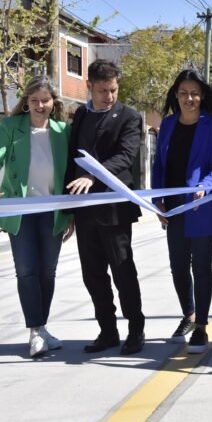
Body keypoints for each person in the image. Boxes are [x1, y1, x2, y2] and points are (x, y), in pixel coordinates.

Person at [0, 75, 74, 357]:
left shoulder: (63, 131)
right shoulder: (10, 126)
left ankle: (41, 327)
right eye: (34, 100)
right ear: (26, 102)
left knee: (48, 272)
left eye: (45, 100)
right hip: (21, 212)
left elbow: (70, 174)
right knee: (26, 270)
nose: (40, 105)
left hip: (52, 212)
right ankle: (36, 330)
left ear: (53, 102)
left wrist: (72, 214)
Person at [65, 59, 146, 355]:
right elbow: (71, 159)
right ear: (89, 86)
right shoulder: (81, 115)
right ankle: (107, 331)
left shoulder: (129, 117)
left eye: (113, 90)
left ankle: (135, 330)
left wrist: (92, 176)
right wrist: (68, 209)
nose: (109, 96)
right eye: (102, 90)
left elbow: (126, 155)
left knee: (123, 272)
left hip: (114, 210)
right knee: (93, 274)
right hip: (85, 210)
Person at [151, 69, 212, 353]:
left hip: (202, 205)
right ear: (176, 95)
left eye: (195, 94)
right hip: (174, 206)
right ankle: (189, 314)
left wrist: (204, 186)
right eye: (184, 93)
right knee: (177, 265)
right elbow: (159, 165)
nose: (189, 98)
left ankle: (201, 327)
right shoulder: (168, 124)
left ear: (202, 96)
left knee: (200, 265)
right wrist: (157, 199)